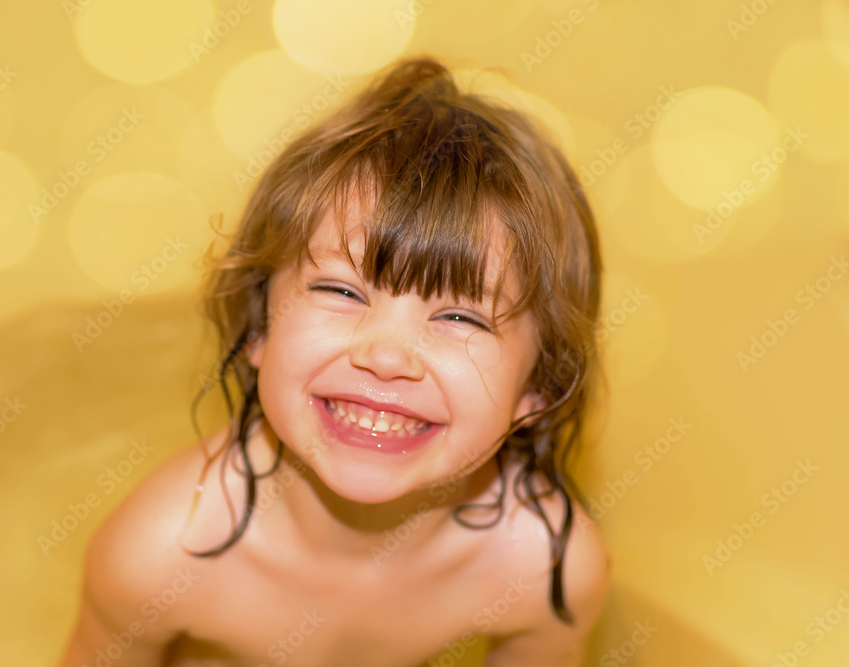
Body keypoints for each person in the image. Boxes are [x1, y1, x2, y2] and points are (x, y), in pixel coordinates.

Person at [60, 55, 610, 667]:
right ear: (256, 331)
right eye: (340, 291)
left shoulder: (543, 565)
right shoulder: (164, 551)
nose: (385, 354)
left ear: (540, 388)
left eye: (461, 318)